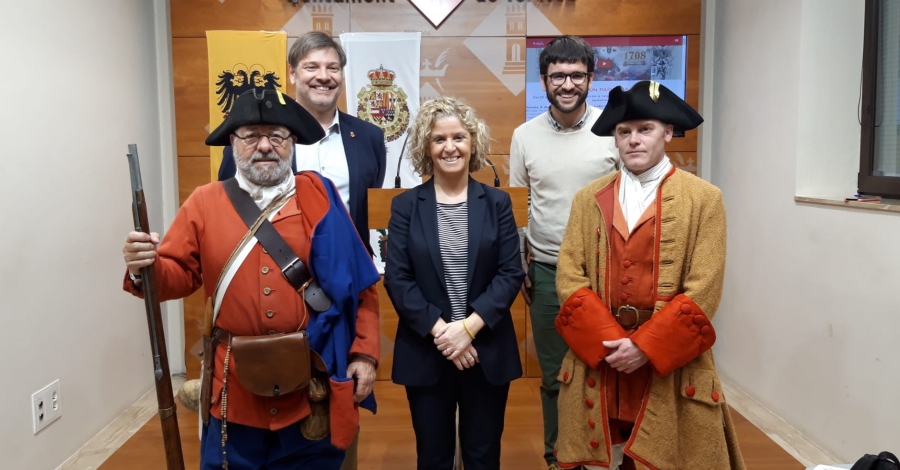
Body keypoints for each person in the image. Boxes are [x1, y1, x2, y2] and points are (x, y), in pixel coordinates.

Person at [123, 88, 381, 470]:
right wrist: (142, 265)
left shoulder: (320, 197)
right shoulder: (204, 202)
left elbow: (360, 286)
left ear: (292, 141)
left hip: (311, 388)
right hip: (232, 392)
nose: (264, 146)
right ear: (233, 142)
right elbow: (176, 275)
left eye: (276, 135)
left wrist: (364, 353)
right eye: (250, 136)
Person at [553, 81, 745, 469]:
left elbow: (705, 287)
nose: (633, 140)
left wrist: (645, 347)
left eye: (645, 129)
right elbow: (569, 276)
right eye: (624, 131)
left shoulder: (704, 198)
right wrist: (611, 344)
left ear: (668, 132)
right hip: (603, 359)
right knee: (605, 456)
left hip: (667, 360)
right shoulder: (587, 199)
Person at [383, 97, 525, 470]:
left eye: (458, 137)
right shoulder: (405, 206)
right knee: (433, 458)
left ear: (473, 142)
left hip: (485, 349)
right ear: (426, 147)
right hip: (428, 350)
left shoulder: (497, 203)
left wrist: (468, 329)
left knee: (483, 457)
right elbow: (397, 278)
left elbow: (510, 272)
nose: (450, 147)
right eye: (439, 139)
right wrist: (445, 334)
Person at [508, 35, 619, 470]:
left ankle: (605, 457)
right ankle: (558, 459)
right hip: (548, 271)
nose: (567, 84)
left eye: (576, 75)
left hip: (605, 273)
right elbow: (519, 209)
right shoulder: (524, 136)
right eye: (558, 76)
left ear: (590, 79)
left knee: (608, 371)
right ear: (544, 81)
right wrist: (520, 265)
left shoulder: (613, 129)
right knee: (555, 376)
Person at [218, 31, 386, 254]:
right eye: (312, 67)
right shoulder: (253, 139)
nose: (324, 76)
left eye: (333, 68)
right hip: (277, 266)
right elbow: (230, 201)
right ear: (292, 73)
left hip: (350, 265)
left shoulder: (369, 137)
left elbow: (369, 201)